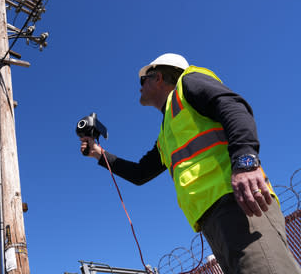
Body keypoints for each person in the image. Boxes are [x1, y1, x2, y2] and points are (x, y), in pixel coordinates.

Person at [80, 53, 301, 274]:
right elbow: (140, 173)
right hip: (212, 219)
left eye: (143, 80)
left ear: (158, 77)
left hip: (240, 201)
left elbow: (233, 108)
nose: (140, 86)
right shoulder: (167, 131)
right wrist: (99, 154)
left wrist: (245, 163)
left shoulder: (188, 83)